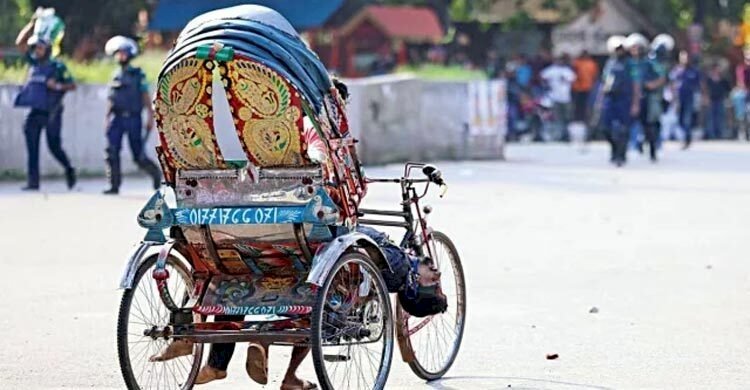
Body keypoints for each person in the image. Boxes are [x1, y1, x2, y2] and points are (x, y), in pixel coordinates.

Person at [14, 16, 77, 191]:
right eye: (36, 47)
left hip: (52, 112)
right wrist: (32, 24)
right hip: (35, 111)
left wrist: (56, 85)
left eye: (41, 47)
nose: (37, 50)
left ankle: (69, 169)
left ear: (48, 49)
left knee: (54, 146)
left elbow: (72, 85)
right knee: (32, 148)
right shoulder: (34, 63)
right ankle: (33, 182)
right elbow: (20, 43)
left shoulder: (57, 66)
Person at [102, 36, 161, 194]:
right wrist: (107, 118)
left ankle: (156, 174)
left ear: (129, 54)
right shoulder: (115, 75)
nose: (120, 56)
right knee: (111, 151)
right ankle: (113, 185)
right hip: (116, 118)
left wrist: (150, 116)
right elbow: (111, 98)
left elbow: (145, 96)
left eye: (123, 53)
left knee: (138, 155)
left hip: (133, 118)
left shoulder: (137, 74)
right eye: (118, 53)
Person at [600, 36, 637, 166]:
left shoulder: (630, 64)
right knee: (606, 128)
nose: (619, 51)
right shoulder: (610, 63)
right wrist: (600, 99)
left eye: (621, 49)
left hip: (625, 99)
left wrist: (635, 103)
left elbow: (635, 84)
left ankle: (621, 155)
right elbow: (604, 81)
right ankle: (614, 149)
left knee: (623, 129)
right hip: (610, 98)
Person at [670, 51, 704, 149]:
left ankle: (686, 139)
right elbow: (672, 84)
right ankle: (683, 136)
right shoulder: (676, 70)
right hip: (678, 98)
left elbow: (700, 85)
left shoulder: (694, 71)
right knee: (679, 119)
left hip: (690, 98)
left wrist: (703, 96)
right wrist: (672, 97)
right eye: (683, 57)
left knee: (687, 119)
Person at [540, 54, 577, 141]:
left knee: (567, 117)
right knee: (557, 117)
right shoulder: (551, 70)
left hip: (566, 97)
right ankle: (559, 135)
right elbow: (542, 76)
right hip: (555, 97)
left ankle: (566, 134)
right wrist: (546, 85)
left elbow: (573, 79)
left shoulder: (567, 71)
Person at [704, 63, 731, 140]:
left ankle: (719, 133)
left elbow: (728, 88)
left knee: (720, 117)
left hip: (720, 99)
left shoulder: (723, 79)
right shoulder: (709, 79)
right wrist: (706, 98)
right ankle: (711, 134)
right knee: (711, 118)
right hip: (711, 100)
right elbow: (705, 89)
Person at [572, 50, 599, 125]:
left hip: (588, 88)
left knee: (587, 106)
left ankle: (585, 121)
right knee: (578, 106)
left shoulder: (591, 64)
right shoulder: (577, 63)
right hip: (578, 88)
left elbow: (595, 76)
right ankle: (577, 120)